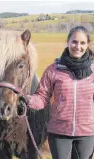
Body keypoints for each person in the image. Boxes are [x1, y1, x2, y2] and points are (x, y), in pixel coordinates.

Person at [22, 26, 94, 159]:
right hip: (59, 133)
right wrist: (28, 100)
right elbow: (42, 97)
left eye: (82, 43)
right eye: (74, 42)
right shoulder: (53, 70)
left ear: (87, 44)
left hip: (87, 133)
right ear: (68, 42)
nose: (78, 46)